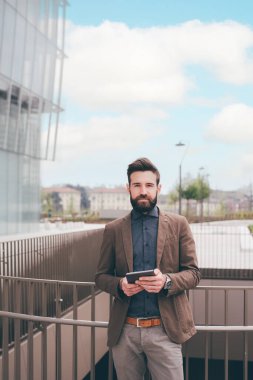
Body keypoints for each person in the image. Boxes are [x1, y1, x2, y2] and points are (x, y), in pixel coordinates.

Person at [95, 157, 200, 380]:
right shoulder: (113, 229)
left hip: (166, 331)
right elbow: (101, 277)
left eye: (149, 185)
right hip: (125, 333)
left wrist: (167, 281)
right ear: (128, 188)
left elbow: (193, 273)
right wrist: (120, 284)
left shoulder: (179, 224)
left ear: (158, 188)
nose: (144, 191)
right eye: (137, 185)